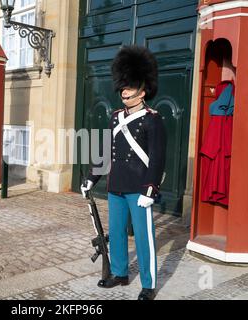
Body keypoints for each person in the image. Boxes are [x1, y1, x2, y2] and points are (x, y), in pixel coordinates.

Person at [81, 45, 167, 300]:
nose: (124, 91)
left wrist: (150, 189)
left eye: (129, 87)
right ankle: (119, 273)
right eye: (123, 86)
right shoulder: (116, 117)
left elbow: (158, 158)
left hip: (139, 188)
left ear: (142, 91)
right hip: (116, 185)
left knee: (144, 238)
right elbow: (105, 151)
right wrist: (91, 177)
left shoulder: (153, 119)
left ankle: (149, 285)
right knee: (116, 233)